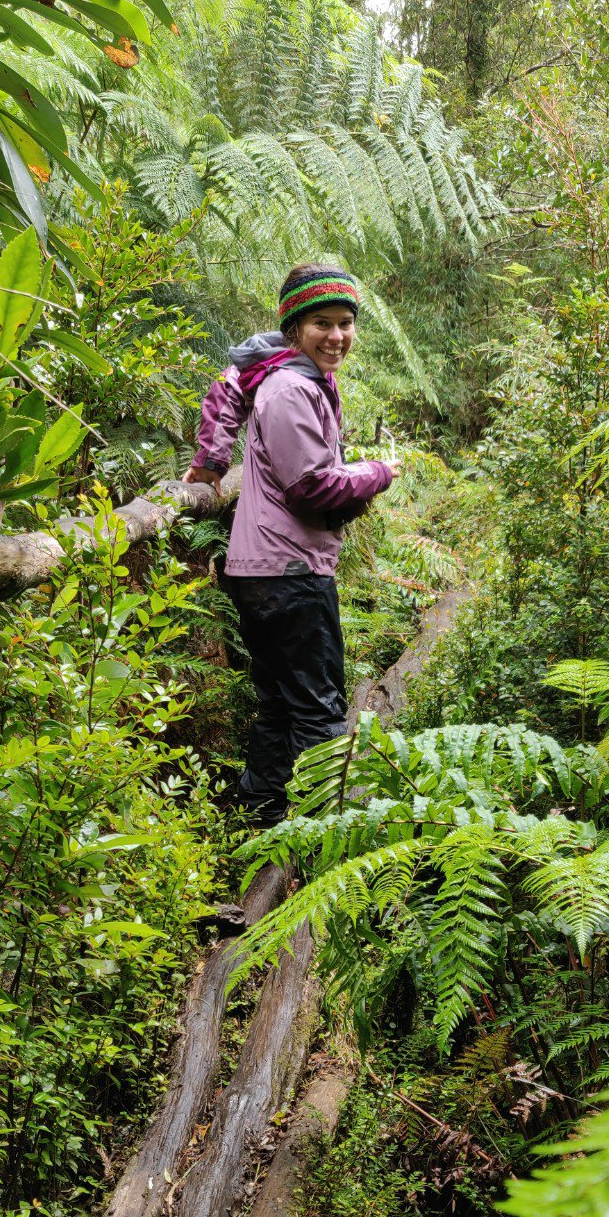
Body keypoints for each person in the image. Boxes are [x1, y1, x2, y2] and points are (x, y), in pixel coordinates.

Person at [186, 264, 400, 826]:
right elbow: (311, 487)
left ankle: (261, 818)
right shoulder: (291, 389)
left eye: (345, 323)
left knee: (281, 705)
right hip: (289, 571)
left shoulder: (289, 377)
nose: (337, 336)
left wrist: (212, 458)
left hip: (267, 567)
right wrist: (378, 472)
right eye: (322, 323)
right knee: (318, 711)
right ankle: (312, 832)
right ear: (295, 328)